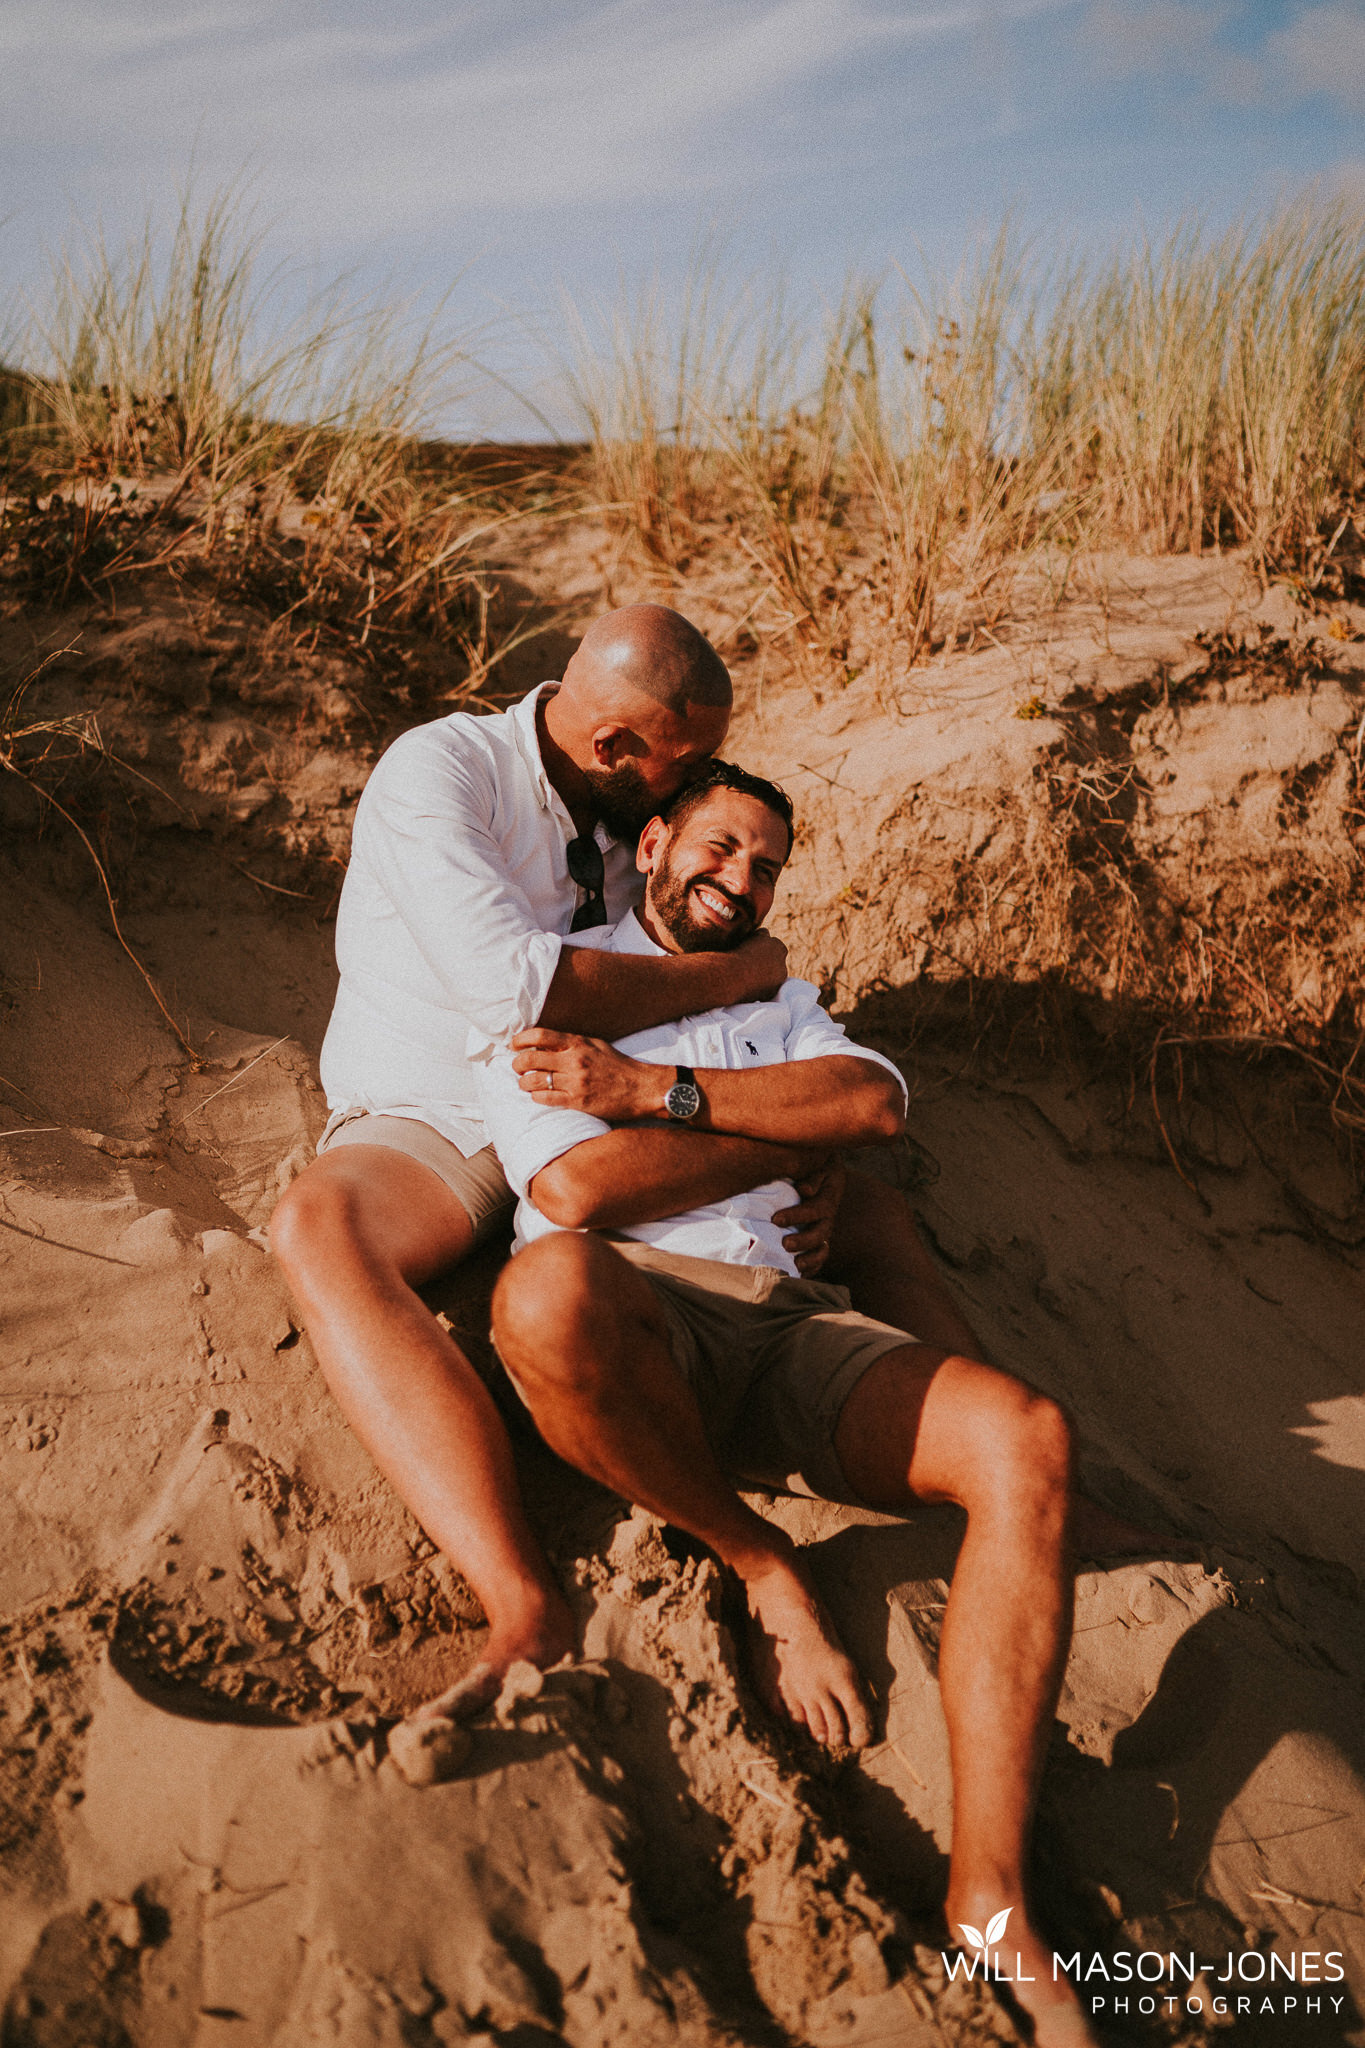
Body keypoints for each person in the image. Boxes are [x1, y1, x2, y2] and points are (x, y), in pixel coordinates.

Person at [481, 760, 1094, 2048]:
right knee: (544, 1292)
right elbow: (587, 1191)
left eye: (765, 866)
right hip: (639, 1319)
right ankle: (760, 1564)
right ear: (651, 843)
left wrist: (652, 1092)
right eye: (718, 848)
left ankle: (992, 1893)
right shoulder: (555, 980)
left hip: (792, 1324)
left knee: (1026, 1437)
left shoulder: (782, 995)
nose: (740, 880)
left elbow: (871, 1101)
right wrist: (789, 1135)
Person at [271, 604, 979, 1711]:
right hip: (443, 1118)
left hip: (610, 1116)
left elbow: (708, 972)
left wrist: (795, 1126)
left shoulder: (638, 815)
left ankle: (1006, 1466)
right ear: (614, 747)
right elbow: (523, 988)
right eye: (680, 764)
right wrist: (736, 978)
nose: (690, 785)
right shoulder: (442, 774)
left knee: (873, 1209)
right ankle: (520, 1597)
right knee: (320, 1228)